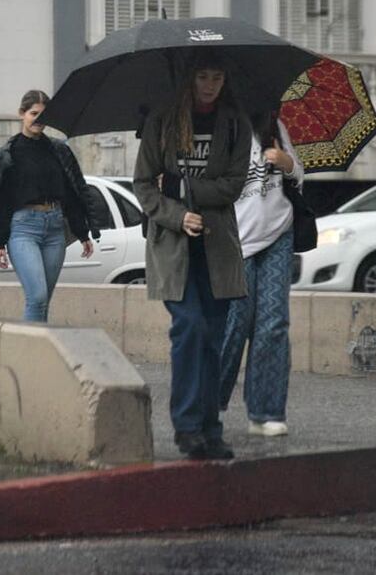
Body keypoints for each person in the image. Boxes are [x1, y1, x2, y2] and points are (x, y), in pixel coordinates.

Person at [133, 53, 251, 460]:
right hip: (173, 246)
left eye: (217, 76)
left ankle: (210, 428)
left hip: (217, 246)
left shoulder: (236, 123)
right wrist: (178, 214)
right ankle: (186, 426)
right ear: (189, 79)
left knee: (214, 337)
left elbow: (234, 186)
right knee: (190, 327)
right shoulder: (161, 122)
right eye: (202, 76)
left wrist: (184, 187)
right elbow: (145, 187)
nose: (210, 84)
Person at [0, 90, 97, 322]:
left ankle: (39, 352)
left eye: (43, 116)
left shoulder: (59, 150)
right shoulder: (7, 154)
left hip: (54, 227)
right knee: (37, 296)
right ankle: (30, 355)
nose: (38, 120)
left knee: (44, 299)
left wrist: (82, 232)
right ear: (22, 114)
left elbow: (73, 192)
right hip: (23, 228)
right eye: (33, 114)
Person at [219, 111, 303, 437]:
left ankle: (265, 411)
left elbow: (300, 176)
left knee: (274, 323)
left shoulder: (276, 126)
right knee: (233, 323)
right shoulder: (224, 129)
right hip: (235, 238)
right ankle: (210, 403)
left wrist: (287, 163)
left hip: (278, 234)